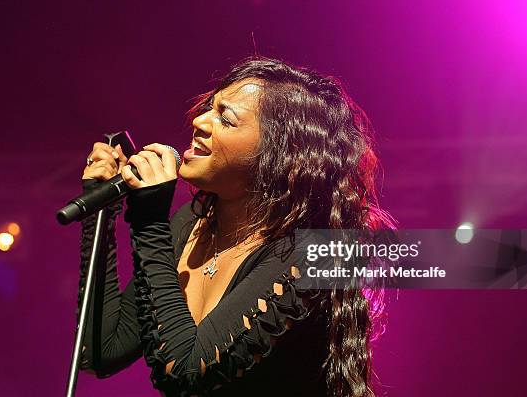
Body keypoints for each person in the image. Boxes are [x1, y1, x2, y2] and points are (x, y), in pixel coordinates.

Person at [77, 56, 395, 397]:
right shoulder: (190, 225)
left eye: (225, 119)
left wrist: (149, 222)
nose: (199, 121)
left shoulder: (308, 256)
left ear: (280, 155)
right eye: (209, 108)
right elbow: (100, 350)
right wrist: (102, 215)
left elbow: (187, 372)